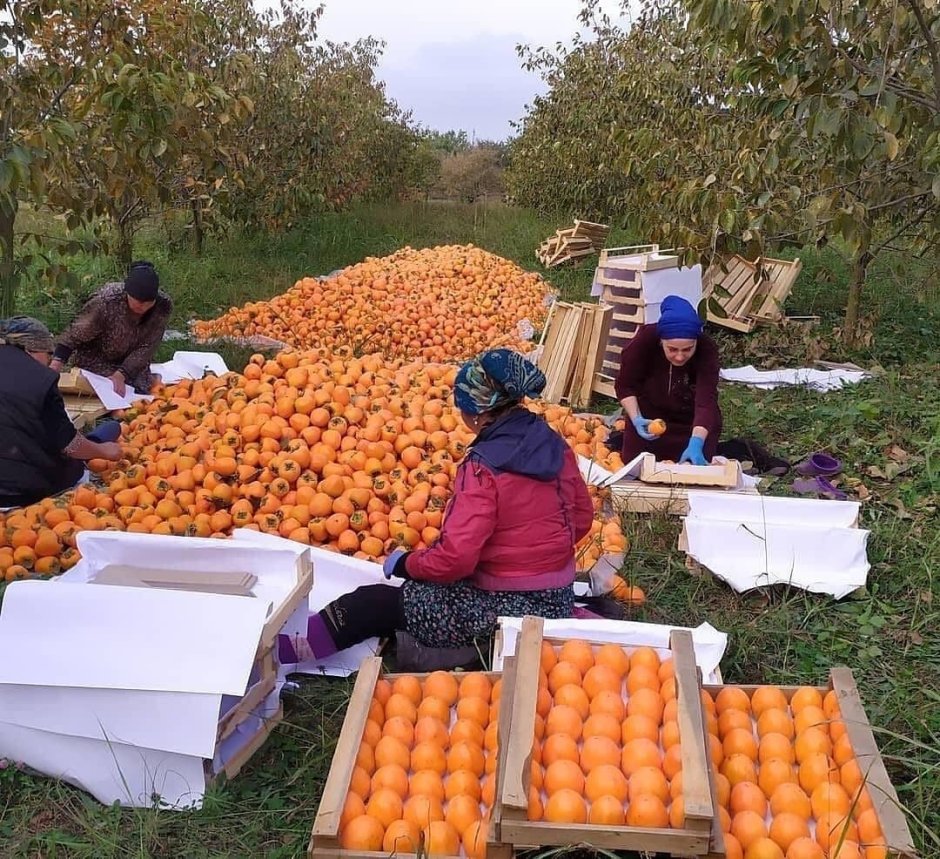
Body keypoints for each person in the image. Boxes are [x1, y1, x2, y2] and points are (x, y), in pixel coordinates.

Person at [278, 348, 595, 670]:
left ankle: (279, 652)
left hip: (509, 610)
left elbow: (456, 558)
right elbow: (582, 519)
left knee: (372, 603)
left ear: (477, 413)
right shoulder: (555, 445)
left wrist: (407, 564)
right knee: (431, 585)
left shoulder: (483, 468)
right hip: (556, 598)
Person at [0, 317, 123, 509]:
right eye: (48, 354)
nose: (49, 361)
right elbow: (70, 446)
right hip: (20, 492)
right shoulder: (41, 379)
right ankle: (96, 444)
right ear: (31, 349)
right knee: (82, 462)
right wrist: (104, 451)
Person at [615, 294, 721, 466]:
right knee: (634, 465)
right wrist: (636, 419)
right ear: (661, 341)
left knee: (695, 470)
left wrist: (696, 442)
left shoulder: (707, 349)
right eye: (672, 349)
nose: (679, 357)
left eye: (687, 349)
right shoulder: (643, 342)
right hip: (651, 419)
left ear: (696, 342)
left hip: (692, 421)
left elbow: (705, 401)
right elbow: (625, 385)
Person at [49, 261, 172, 395]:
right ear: (127, 294)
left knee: (137, 389)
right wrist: (56, 363)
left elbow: (147, 346)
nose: (142, 307)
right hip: (97, 358)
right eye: (138, 301)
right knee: (100, 387)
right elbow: (76, 333)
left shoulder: (163, 306)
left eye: (147, 303)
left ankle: (146, 378)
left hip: (130, 361)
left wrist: (122, 374)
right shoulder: (107, 301)